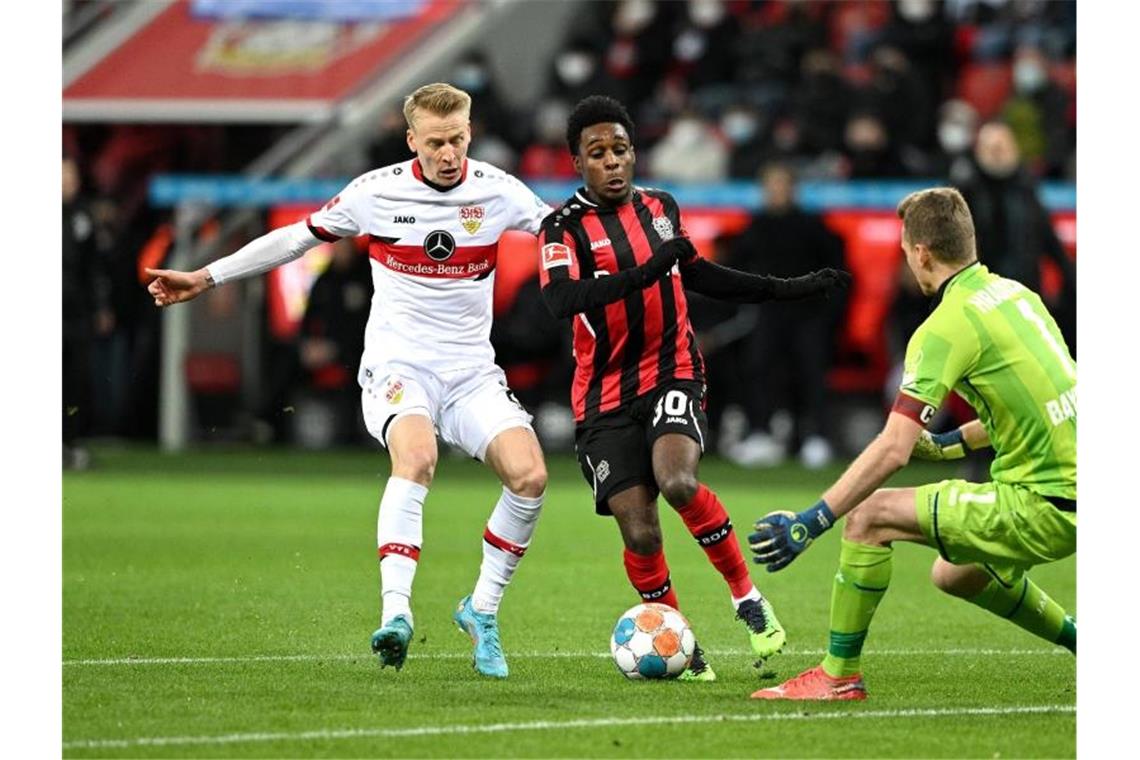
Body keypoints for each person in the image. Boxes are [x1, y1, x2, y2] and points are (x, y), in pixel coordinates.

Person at [145, 83, 554, 680]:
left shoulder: (498, 191)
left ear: (471, 132)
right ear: (411, 139)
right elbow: (294, 240)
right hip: (398, 365)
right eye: (436, 142)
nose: (449, 153)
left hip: (470, 370)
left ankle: (481, 611)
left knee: (531, 477)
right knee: (416, 458)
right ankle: (397, 614)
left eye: (459, 139)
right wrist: (207, 277)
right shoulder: (376, 192)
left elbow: (569, 233)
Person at [538, 96, 850, 680]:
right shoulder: (561, 229)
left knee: (678, 481)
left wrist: (788, 288)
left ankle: (746, 598)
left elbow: (699, 273)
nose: (612, 163)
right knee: (639, 526)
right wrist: (648, 272)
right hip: (602, 394)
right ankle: (680, 638)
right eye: (597, 154)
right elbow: (561, 300)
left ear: (634, 152)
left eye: (621, 150)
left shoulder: (660, 208)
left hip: (671, 367)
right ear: (577, 162)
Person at [749, 187, 1075, 701]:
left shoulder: (944, 326)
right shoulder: (1017, 296)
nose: (907, 262)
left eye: (905, 251)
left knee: (868, 517)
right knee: (956, 573)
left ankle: (838, 677)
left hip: (1043, 503)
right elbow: (1043, 401)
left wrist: (814, 519)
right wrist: (948, 444)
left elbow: (893, 449)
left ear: (921, 252)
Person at [725, 162, 848, 469]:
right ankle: (760, 435)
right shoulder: (755, 225)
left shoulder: (813, 225)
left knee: (811, 374)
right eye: (771, 184)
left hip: (809, 313)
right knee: (758, 369)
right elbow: (734, 269)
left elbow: (837, 271)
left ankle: (817, 438)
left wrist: (829, 313)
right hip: (768, 313)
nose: (777, 191)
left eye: (782, 184)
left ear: (793, 188)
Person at [959, 121, 1075, 351]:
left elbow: (1047, 237)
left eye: (1003, 147)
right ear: (979, 151)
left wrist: (1069, 276)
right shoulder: (966, 190)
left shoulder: (1026, 187)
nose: (998, 154)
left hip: (1026, 292)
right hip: (981, 297)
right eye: (992, 148)